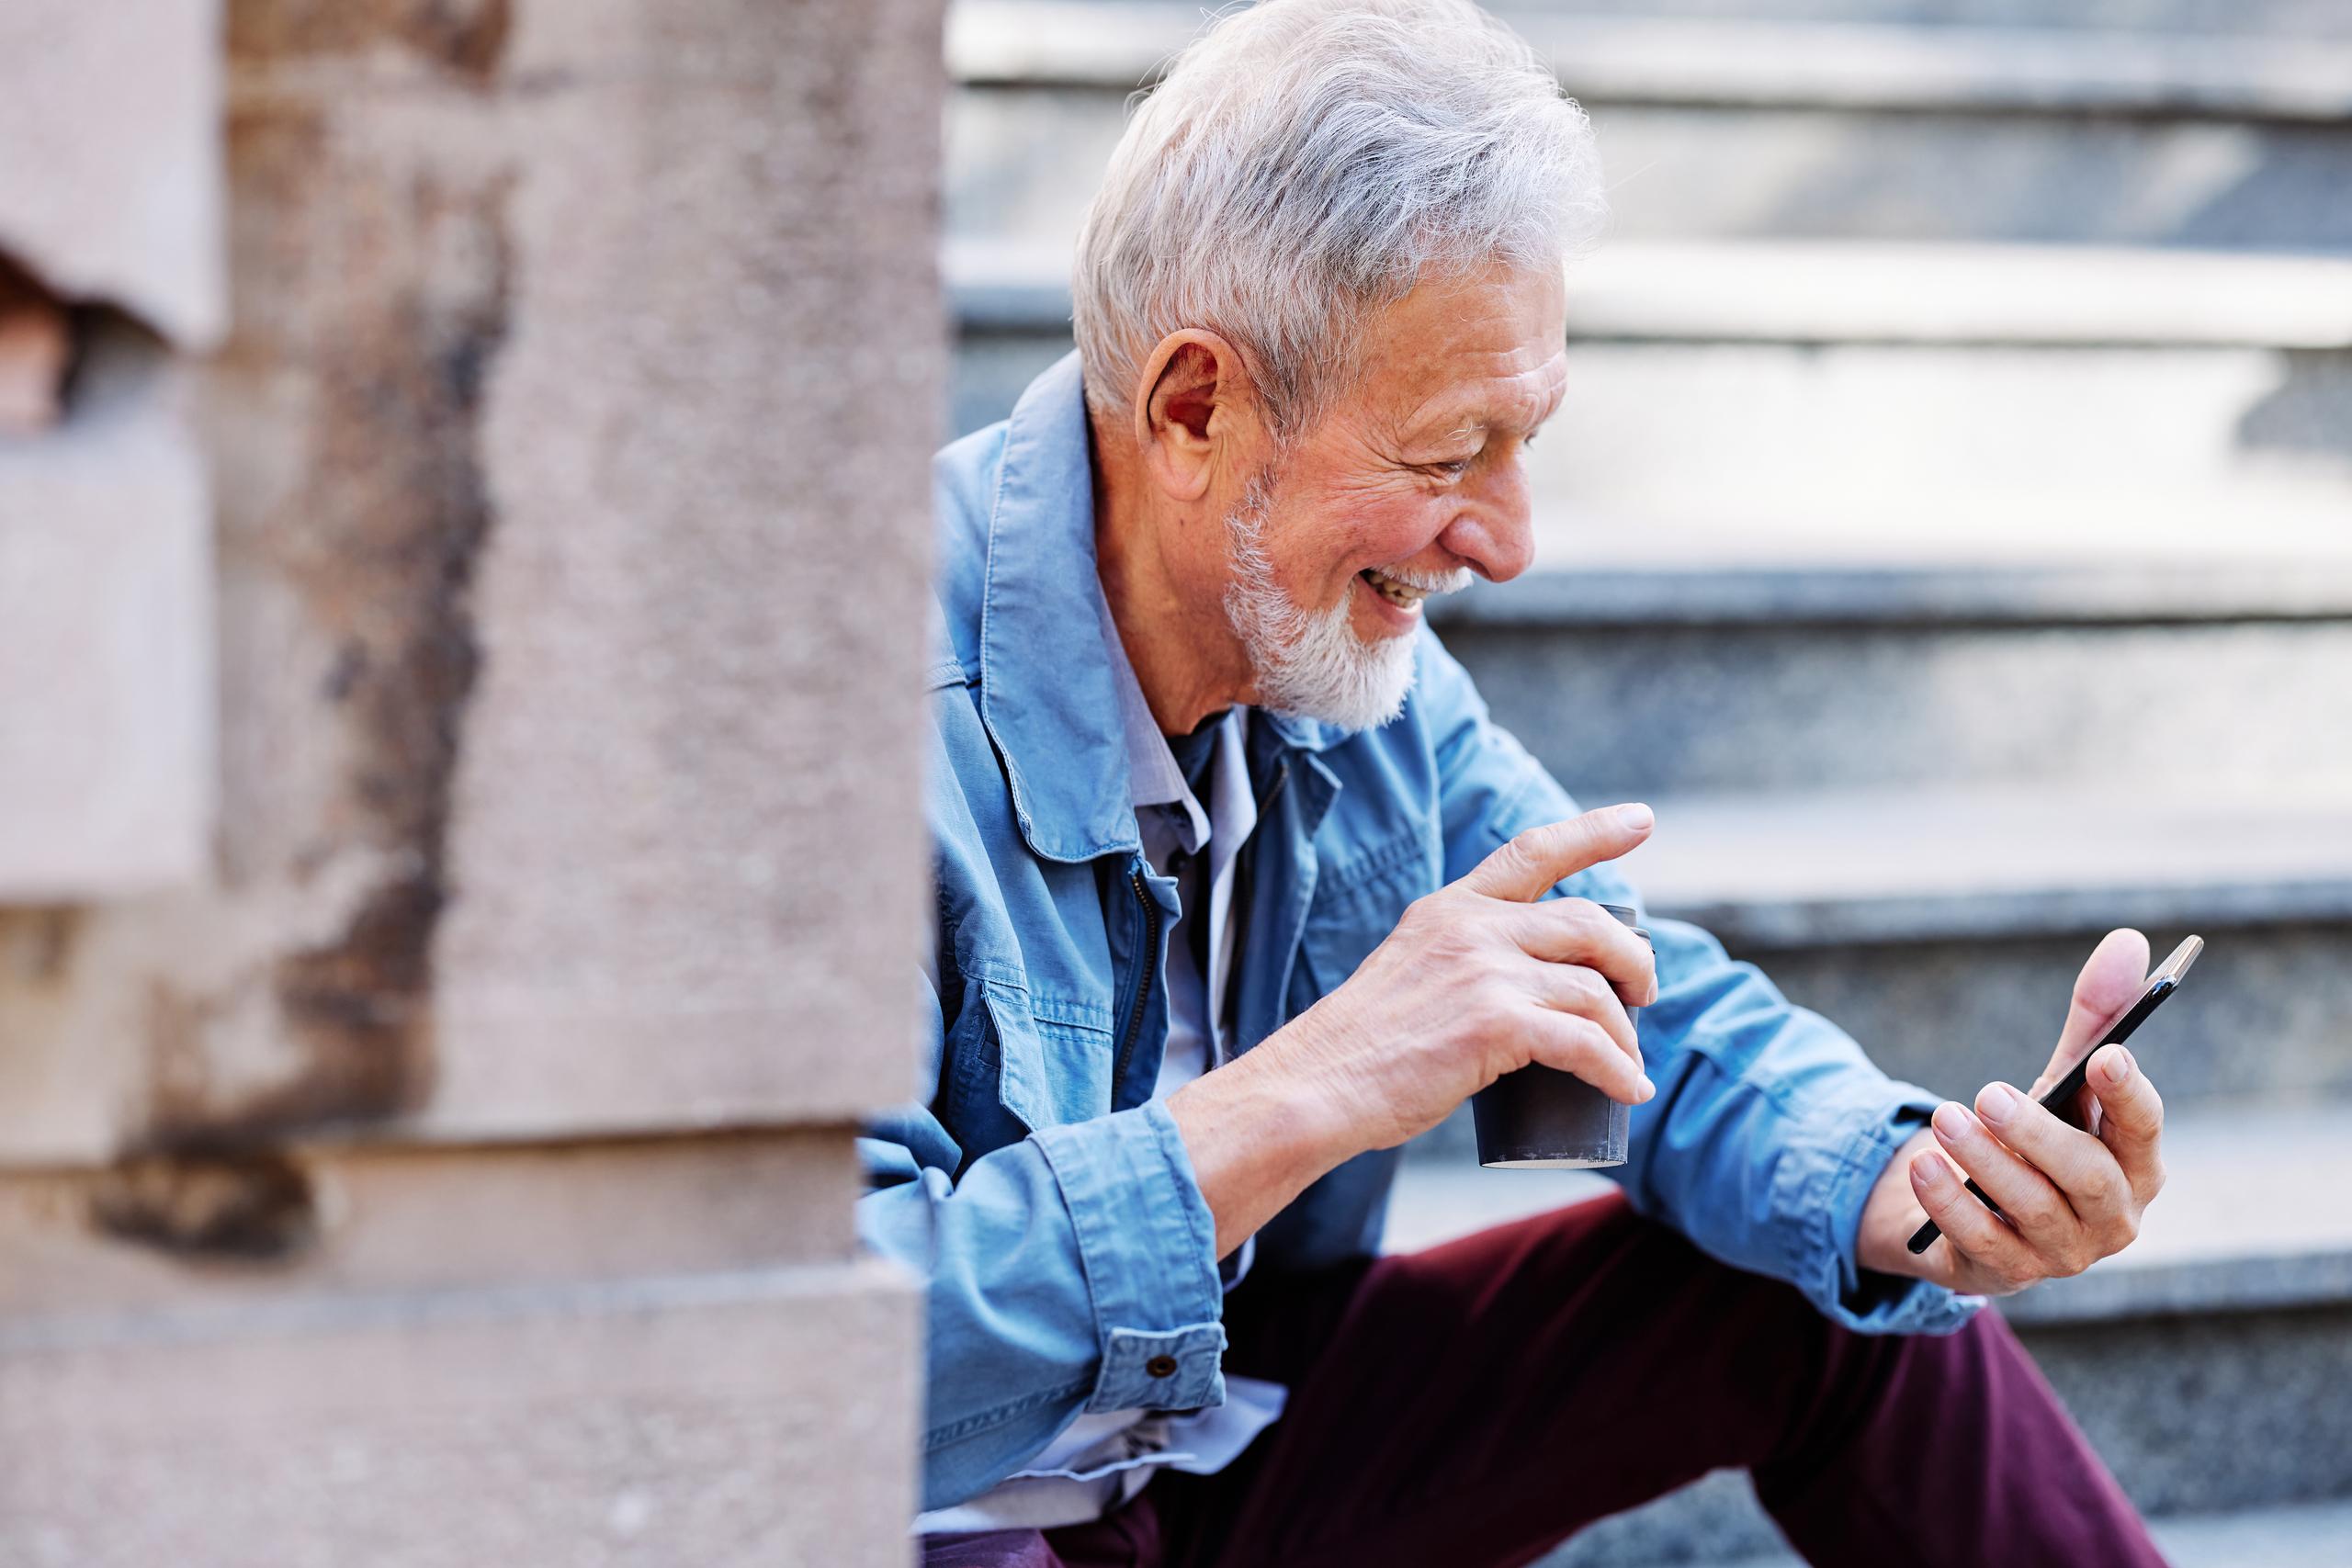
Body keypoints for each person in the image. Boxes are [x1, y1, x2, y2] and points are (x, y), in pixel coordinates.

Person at [865, 3, 2171, 1562]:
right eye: (1446, 452)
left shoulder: (1336, 659)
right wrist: (1316, 1084)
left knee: (1854, 1312)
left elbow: (1634, 1003)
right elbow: (813, 1360)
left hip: (1204, 1467)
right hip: (918, 1526)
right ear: (1195, 411)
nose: (1509, 538)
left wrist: (1912, 1186)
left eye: (1524, 440)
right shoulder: (840, 726)